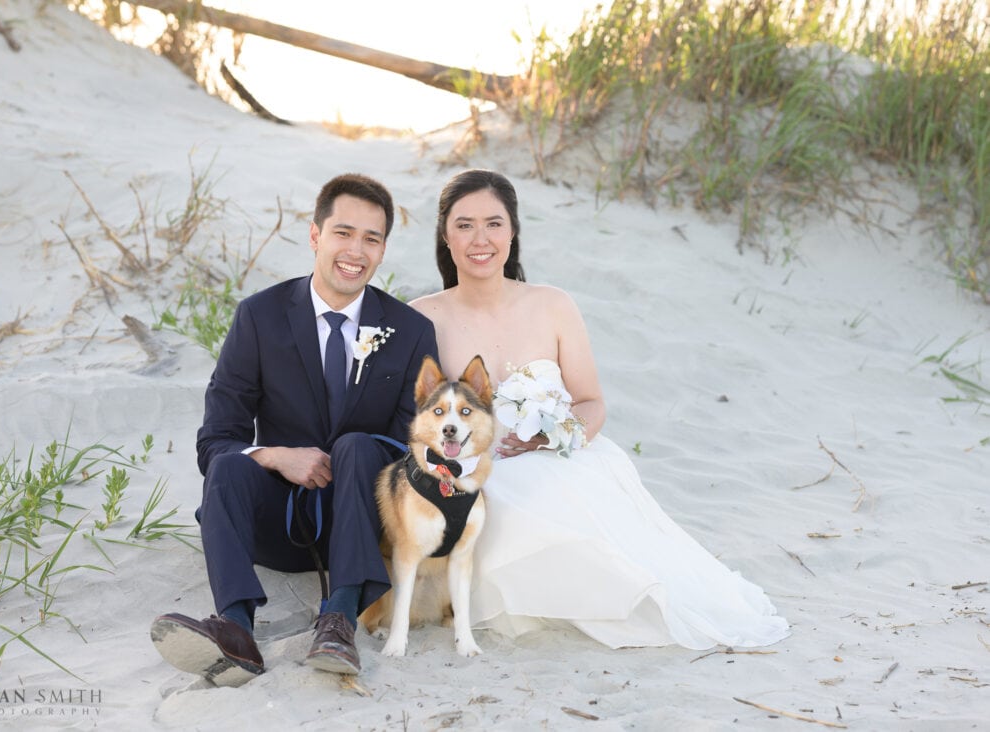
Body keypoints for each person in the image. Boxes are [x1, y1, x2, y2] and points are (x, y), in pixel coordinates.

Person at [410, 169, 789, 650]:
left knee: (584, 515)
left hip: (561, 457)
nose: (480, 239)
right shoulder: (423, 316)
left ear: (513, 231)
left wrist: (553, 437)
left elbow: (591, 402)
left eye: (494, 223)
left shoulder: (553, 305)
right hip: (474, 470)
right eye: (464, 225)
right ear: (445, 235)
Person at [151, 173, 439, 684]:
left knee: (357, 444)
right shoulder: (259, 318)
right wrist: (276, 456)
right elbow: (217, 435)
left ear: (383, 250)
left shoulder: (410, 330)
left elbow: (412, 448)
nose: (356, 250)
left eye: (371, 238)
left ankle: (339, 620)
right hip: (276, 525)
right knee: (227, 465)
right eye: (343, 233)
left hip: (364, 523)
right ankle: (236, 629)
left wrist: (356, 456)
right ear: (315, 235)